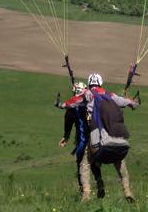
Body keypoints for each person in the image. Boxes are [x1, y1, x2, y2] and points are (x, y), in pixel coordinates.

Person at [58, 73, 139, 202]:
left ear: (89, 84)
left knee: (85, 163)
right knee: (120, 163)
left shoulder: (89, 94)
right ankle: (128, 192)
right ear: (100, 83)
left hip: (98, 140)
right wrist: (134, 104)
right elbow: (129, 103)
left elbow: (74, 102)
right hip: (118, 139)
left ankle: (86, 195)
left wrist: (61, 105)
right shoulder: (110, 95)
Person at [59, 82, 91, 199]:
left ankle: (84, 191)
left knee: (81, 164)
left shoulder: (72, 108)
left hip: (82, 139)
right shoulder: (91, 101)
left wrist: (66, 137)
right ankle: (98, 182)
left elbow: (68, 123)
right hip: (96, 136)